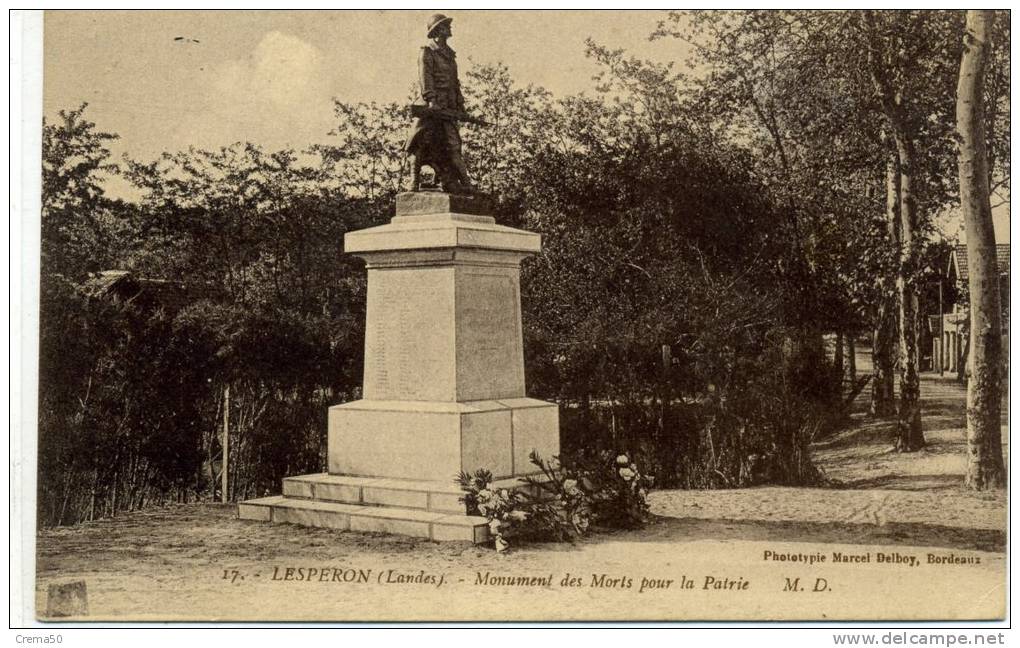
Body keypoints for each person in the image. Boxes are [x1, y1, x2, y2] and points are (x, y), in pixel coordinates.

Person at [405, 14, 475, 193]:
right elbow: (425, 77)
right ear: (437, 30)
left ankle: (458, 183)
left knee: (453, 145)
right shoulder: (427, 51)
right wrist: (431, 100)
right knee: (418, 142)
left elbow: (454, 82)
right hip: (431, 107)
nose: (450, 28)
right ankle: (413, 180)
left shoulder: (450, 56)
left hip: (448, 108)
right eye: (446, 26)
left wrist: (460, 104)